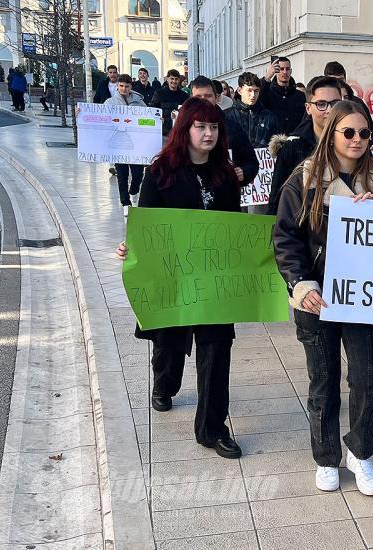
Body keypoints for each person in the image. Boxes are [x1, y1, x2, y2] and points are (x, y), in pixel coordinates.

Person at [273, 100, 373, 496]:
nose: (357, 140)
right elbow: (285, 238)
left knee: (368, 380)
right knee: (323, 382)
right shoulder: (304, 181)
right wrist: (300, 284)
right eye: (348, 132)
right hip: (318, 299)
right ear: (331, 134)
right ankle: (326, 458)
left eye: (364, 133)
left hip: (362, 298)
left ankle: (360, 452)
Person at [115, 97, 243, 459]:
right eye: (201, 126)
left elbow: (234, 228)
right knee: (170, 344)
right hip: (172, 276)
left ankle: (212, 428)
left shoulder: (225, 176)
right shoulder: (161, 173)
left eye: (214, 127)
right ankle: (165, 384)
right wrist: (132, 248)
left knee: (217, 349)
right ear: (184, 129)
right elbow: (147, 225)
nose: (208, 133)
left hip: (214, 279)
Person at [266, 75, 342, 215]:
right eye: (321, 104)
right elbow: (278, 195)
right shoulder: (292, 148)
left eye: (335, 103)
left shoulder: (353, 143)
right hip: (301, 226)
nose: (329, 110)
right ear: (308, 108)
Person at [190, 75, 258, 186]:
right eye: (198, 97)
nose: (203, 101)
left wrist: (244, 172)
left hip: (225, 194)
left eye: (207, 96)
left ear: (216, 98)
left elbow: (251, 161)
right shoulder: (183, 127)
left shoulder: (232, 127)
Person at [104, 74, 147, 216]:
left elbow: (148, 116)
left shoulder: (139, 101)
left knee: (138, 174)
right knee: (122, 175)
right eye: (121, 86)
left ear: (131, 87)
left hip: (135, 145)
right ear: (117, 86)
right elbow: (101, 118)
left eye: (127, 86)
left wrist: (157, 120)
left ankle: (134, 191)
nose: (124, 89)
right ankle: (125, 202)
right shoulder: (110, 102)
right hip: (118, 145)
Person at [323, 61, 373, 150]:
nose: (338, 83)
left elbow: (372, 132)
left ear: (345, 79)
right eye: (334, 80)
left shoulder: (358, 103)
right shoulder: (322, 104)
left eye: (341, 80)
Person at [225, 72, 278, 149]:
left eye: (256, 91)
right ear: (240, 90)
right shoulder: (228, 116)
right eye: (249, 90)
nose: (253, 95)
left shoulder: (268, 116)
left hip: (262, 160)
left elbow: (275, 144)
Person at [258, 56, 306, 135]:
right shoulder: (268, 93)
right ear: (276, 71)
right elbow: (257, 101)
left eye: (287, 69)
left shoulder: (300, 96)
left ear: (291, 71)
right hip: (273, 141)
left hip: (295, 141)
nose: (284, 72)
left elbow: (304, 120)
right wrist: (267, 77)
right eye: (281, 69)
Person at [151, 69, 189, 137]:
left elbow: (187, 112)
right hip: (163, 132)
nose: (174, 81)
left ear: (179, 80)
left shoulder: (184, 95)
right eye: (172, 78)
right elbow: (152, 109)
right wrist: (157, 117)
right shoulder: (159, 93)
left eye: (176, 79)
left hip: (179, 132)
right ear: (167, 79)